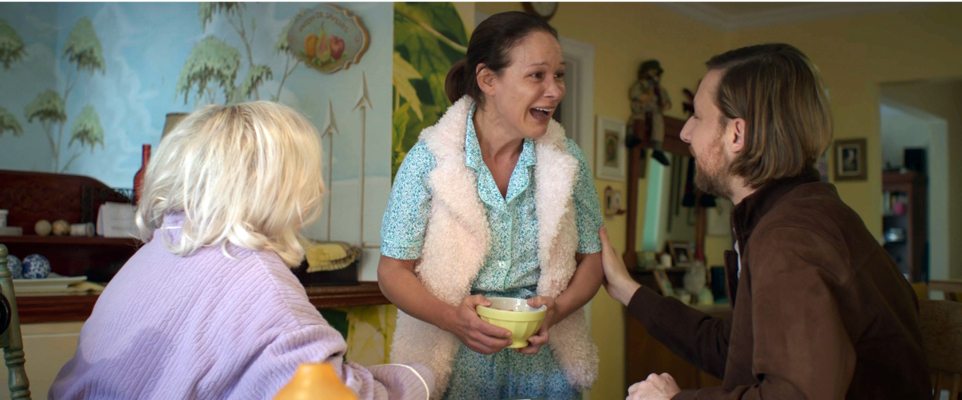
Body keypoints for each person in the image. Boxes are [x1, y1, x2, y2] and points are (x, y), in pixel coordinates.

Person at [599, 43, 930, 399]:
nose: (685, 133)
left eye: (697, 116)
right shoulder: (799, 215)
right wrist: (627, 289)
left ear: (736, 134)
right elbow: (732, 347)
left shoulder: (790, 239)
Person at [50, 102, 434, 400]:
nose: (318, 189)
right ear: (279, 188)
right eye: (309, 177)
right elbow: (338, 393)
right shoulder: (259, 282)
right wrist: (424, 377)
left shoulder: (158, 252)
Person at [378, 11, 604, 400]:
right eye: (537, 76)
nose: (555, 90)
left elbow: (593, 259)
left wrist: (558, 309)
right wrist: (453, 320)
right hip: (455, 362)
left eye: (560, 75)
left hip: (547, 366)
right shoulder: (428, 159)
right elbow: (392, 271)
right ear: (488, 80)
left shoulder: (569, 161)